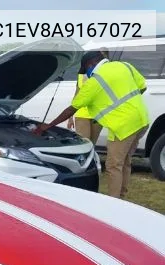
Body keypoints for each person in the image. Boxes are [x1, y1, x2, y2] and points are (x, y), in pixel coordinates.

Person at [34, 50, 149, 199]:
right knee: (125, 161)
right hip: (142, 120)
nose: (86, 72)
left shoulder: (95, 81)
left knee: (114, 165)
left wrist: (48, 126)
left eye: (86, 68)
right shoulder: (125, 66)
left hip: (123, 126)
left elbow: (71, 109)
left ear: (91, 64)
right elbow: (142, 87)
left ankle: (114, 203)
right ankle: (122, 195)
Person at [67, 50, 108, 144]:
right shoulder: (82, 74)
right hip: (82, 113)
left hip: (98, 115)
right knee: (83, 143)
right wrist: (70, 117)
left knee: (92, 145)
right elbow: (77, 94)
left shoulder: (106, 74)